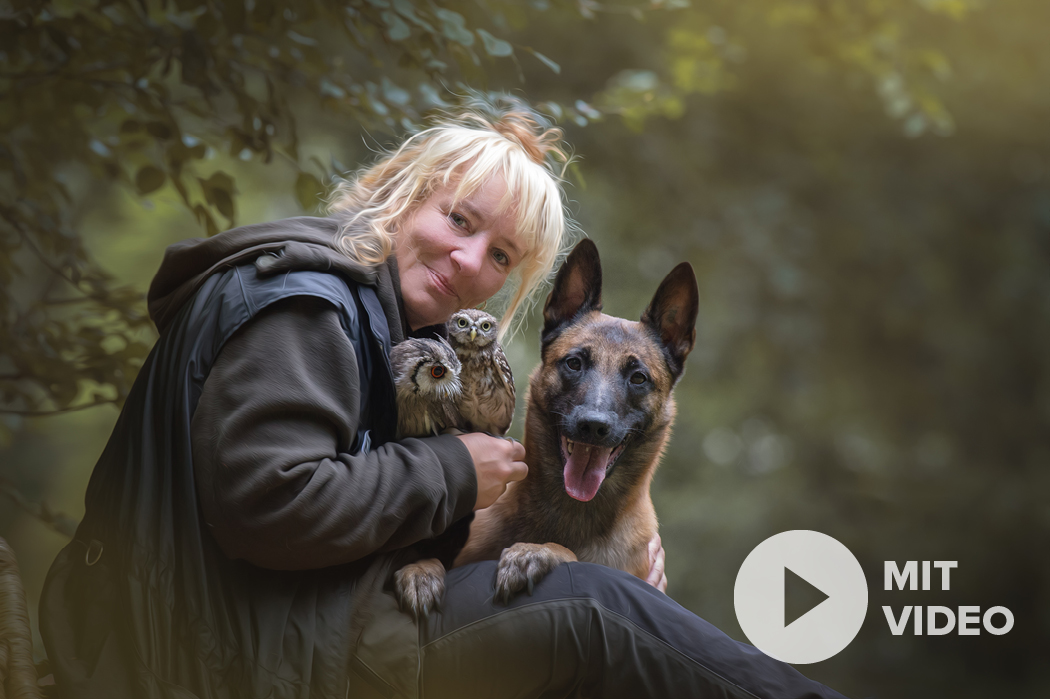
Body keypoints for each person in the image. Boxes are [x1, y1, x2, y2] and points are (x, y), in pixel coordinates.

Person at [39, 95, 842, 698]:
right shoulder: (306, 306)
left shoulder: (369, 323)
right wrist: (451, 471)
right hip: (201, 654)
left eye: (500, 255)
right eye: (458, 219)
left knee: (598, 604)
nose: (468, 262)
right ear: (404, 189)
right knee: (592, 609)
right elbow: (266, 504)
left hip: (263, 626)